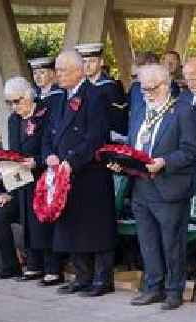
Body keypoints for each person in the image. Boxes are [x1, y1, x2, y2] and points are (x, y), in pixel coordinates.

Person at [109, 64, 196, 310]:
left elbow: (190, 151)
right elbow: (132, 144)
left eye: (151, 88)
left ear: (167, 84)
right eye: (142, 88)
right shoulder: (139, 109)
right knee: (147, 241)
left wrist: (164, 162)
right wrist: (122, 163)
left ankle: (174, 290)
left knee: (172, 243)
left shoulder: (183, 110)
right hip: (140, 185)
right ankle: (153, 287)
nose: (146, 93)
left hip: (169, 186)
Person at [42, 49, 114, 297]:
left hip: (89, 173)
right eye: (57, 70)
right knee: (72, 227)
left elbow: (95, 136)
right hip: (64, 173)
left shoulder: (96, 96)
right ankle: (81, 277)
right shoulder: (59, 98)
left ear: (78, 70)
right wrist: (49, 155)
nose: (58, 75)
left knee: (96, 228)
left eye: (62, 70)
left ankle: (102, 280)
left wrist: (72, 160)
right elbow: (49, 133)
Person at [0, 77, 62, 285]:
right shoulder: (14, 120)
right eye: (10, 102)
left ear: (29, 96)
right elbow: (13, 154)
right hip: (20, 180)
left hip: (44, 178)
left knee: (38, 214)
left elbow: (54, 148)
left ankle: (51, 268)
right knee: (0, 215)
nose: (14, 106)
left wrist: (37, 162)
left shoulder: (45, 114)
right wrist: (6, 189)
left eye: (17, 101)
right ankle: (26, 264)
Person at [75, 43, 129, 140]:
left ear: (101, 62)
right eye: (84, 62)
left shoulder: (110, 88)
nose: (87, 66)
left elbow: (119, 120)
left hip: (105, 142)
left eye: (92, 61)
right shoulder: (80, 87)